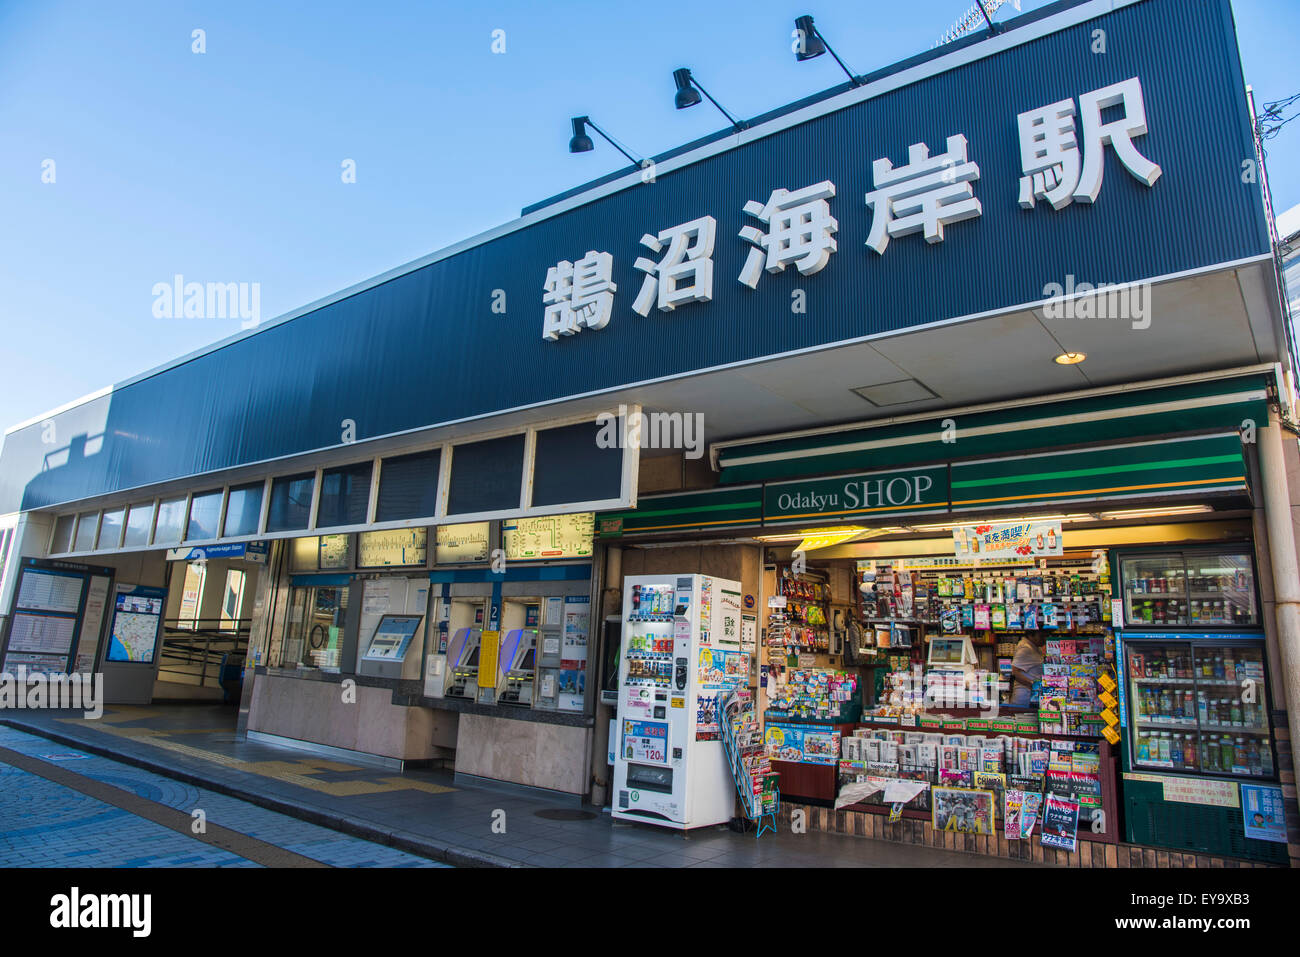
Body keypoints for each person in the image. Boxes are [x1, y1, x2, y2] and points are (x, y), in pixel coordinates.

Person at [1009, 632, 1046, 707]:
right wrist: (1034, 685)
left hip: (1032, 696)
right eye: (1041, 635)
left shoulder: (1035, 647)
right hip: (1025, 697)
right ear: (1030, 634)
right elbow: (1014, 671)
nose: (1044, 638)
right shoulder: (1025, 648)